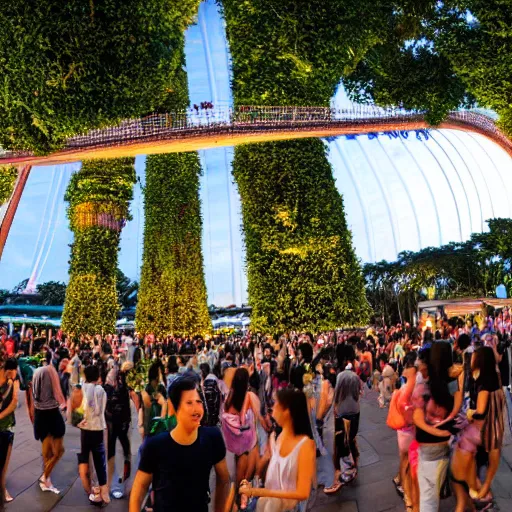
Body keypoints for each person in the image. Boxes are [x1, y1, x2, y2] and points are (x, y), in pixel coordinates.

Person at [129, 377, 230, 512]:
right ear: (174, 407)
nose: (196, 409)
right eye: (189, 403)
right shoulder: (156, 444)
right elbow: (140, 488)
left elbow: (224, 479)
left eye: (199, 402)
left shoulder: (212, 437)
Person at [239, 388, 316, 511]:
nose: (272, 409)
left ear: (287, 411)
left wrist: (257, 491)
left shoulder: (305, 445)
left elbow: (303, 493)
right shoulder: (276, 437)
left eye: (276, 404)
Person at [325, 348, 361, 495]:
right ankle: (354, 462)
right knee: (351, 437)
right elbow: (358, 394)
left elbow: (337, 394)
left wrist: (335, 406)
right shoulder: (355, 376)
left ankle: (347, 468)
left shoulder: (339, 376)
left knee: (342, 440)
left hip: (342, 410)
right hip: (355, 409)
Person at [73, 364, 109, 505]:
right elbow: (100, 410)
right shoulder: (101, 390)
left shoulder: (81, 388)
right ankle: (102, 491)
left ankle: (91, 489)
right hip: (97, 428)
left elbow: (78, 407)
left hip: (85, 428)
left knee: (85, 457)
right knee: (99, 459)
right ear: (98, 376)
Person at [32, 360, 67, 494]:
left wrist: (32, 416)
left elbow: (31, 398)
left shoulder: (35, 373)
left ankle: (46, 477)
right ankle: (46, 478)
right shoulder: (51, 372)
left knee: (48, 453)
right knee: (57, 451)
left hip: (40, 413)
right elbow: (60, 392)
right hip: (50, 413)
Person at [104, 361, 133, 499]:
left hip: (114, 420)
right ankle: (115, 484)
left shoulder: (116, 382)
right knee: (122, 450)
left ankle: (111, 484)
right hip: (119, 420)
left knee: (114, 450)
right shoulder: (122, 383)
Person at [0, 358, 19, 503]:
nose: (16, 373)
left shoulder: (14, 381)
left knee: (5, 461)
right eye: (14, 371)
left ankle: (2, 487)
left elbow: (14, 403)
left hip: (7, 425)